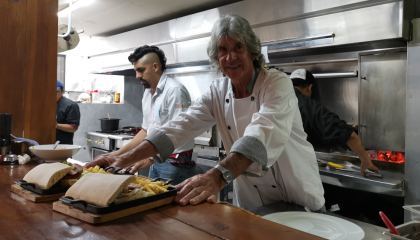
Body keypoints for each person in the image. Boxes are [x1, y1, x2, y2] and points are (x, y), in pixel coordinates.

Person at [86, 15, 325, 212]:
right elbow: (179, 126)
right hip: (255, 202)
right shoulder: (217, 91)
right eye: (223, 49)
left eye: (237, 47)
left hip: (298, 196)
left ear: (251, 50)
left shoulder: (277, 83)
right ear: (216, 56)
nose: (230, 57)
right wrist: (121, 159)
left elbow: (260, 134)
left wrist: (216, 177)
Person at [90, 45, 196, 185]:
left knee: (171, 203)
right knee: (154, 199)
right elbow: (146, 131)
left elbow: (179, 133)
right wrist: (115, 155)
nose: (137, 76)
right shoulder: (147, 93)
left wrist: (150, 159)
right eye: (136, 71)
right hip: (154, 158)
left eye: (141, 70)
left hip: (174, 161)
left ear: (155, 67)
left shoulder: (174, 91)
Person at [290, 69, 379, 175]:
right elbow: (349, 135)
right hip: (294, 172)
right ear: (310, 88)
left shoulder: (270, 98)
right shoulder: (309, 106)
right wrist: (366, 161)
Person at [56, 80, 80, 144]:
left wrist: (56, 125)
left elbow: (73, 127)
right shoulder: (45, 105)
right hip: (45, 144)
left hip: (63, 145)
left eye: (55, 92)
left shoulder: (71, 105)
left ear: (62, 91)